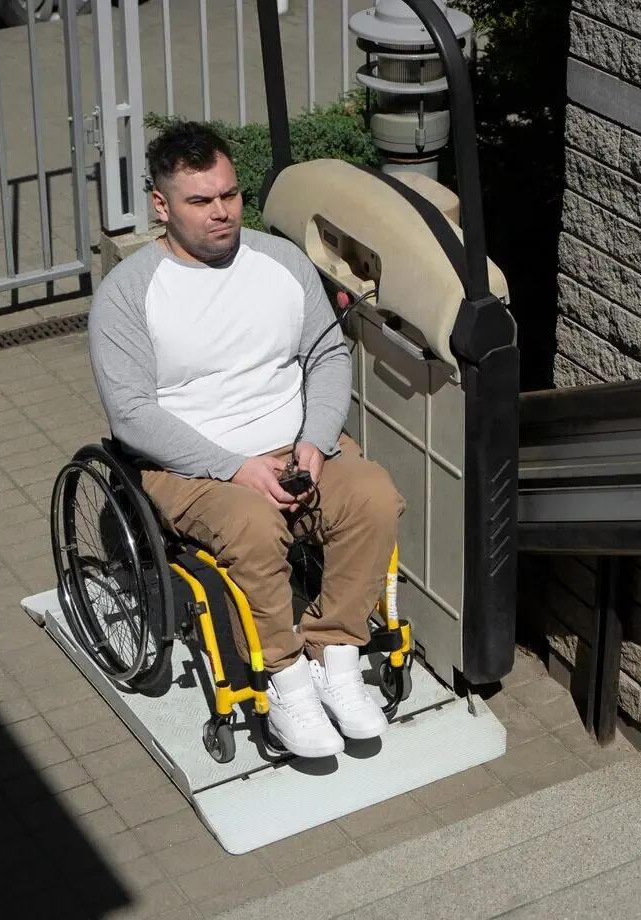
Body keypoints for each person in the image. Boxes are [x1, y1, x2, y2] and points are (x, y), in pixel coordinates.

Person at [87, 120, 404, 758]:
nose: (221, 212)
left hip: (294, 445)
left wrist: (315, 440)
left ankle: (335, 658)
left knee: (373, 496)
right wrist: (236, 468)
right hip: (191, 467)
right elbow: (131, 416)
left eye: (229, 195)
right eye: (200, 201)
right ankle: (286, 683)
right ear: (161, 205)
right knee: (255, 530)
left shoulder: (281, 262)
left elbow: (326, 357)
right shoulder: (128, 295)